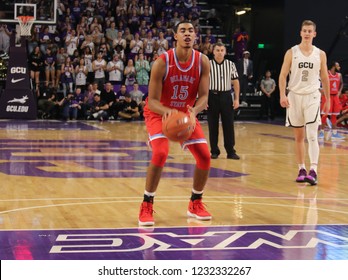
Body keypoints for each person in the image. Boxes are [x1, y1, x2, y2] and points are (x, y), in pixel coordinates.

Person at [138, 20, 211, 226]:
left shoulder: (202, 61)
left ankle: (196, 202)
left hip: (186, 114)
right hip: (159, 112)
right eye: (183, 31)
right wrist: (168, 112)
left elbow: (204, 95)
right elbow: (151, 101)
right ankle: (147, 203)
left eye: (191, 31)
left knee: (205, 156)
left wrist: (194, 111)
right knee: (160, 152)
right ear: (175, 36)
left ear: (195, 36)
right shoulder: (163, 62)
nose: (187, 34)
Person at [279, 20, 330, 186]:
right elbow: (282, 75)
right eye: (305, 31)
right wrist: (282, 94)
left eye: (310, 31)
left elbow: (324, 77)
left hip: (312, 96)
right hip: (294, 96)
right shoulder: (291, 52)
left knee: (312, 134)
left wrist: (328, 99)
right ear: (300, 33)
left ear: (314, 34)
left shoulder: (320, 54)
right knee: (299, 137)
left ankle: (313, 170)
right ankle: (301, 169)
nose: (307, 33)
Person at [207, 42, 240, 160]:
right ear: (213, 51)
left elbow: (235, 82)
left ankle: (231, 151)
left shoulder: (230, 64)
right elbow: (203, 83)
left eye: (222, 50)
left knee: (229, 125)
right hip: (212, 96)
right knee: (212, 125)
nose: (220, 52)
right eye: (217, 50)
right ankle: (214, 151)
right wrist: (203, 99)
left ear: (225, 52)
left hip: (226, 96)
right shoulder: (208, 64)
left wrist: (236, 99)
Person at [319, 61, 345, 140]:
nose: (339, 67)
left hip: (335, 97)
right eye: (338, 66)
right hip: (327, 97)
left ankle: (334, 133)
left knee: (334, 115)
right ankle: (321, 133)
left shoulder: (339, 75)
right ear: (333, 66)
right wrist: (320, 90)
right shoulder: (326, 73)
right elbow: (318, 82)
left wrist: (339, 91)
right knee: (324, 115)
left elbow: (342, 83)